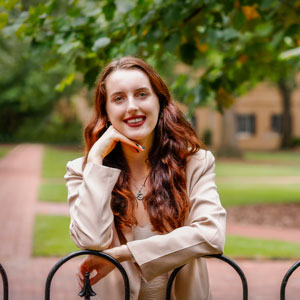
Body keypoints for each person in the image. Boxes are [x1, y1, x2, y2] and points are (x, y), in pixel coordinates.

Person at [64, 56, 226, 300]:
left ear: (159, 101)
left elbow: (211, 235)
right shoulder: (83, 170)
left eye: (141, 94)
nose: (132, 107)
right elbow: (92, 239)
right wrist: (96, 158)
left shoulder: (195, 163)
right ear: (106, 111)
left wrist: (124, 253)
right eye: (119, 98)